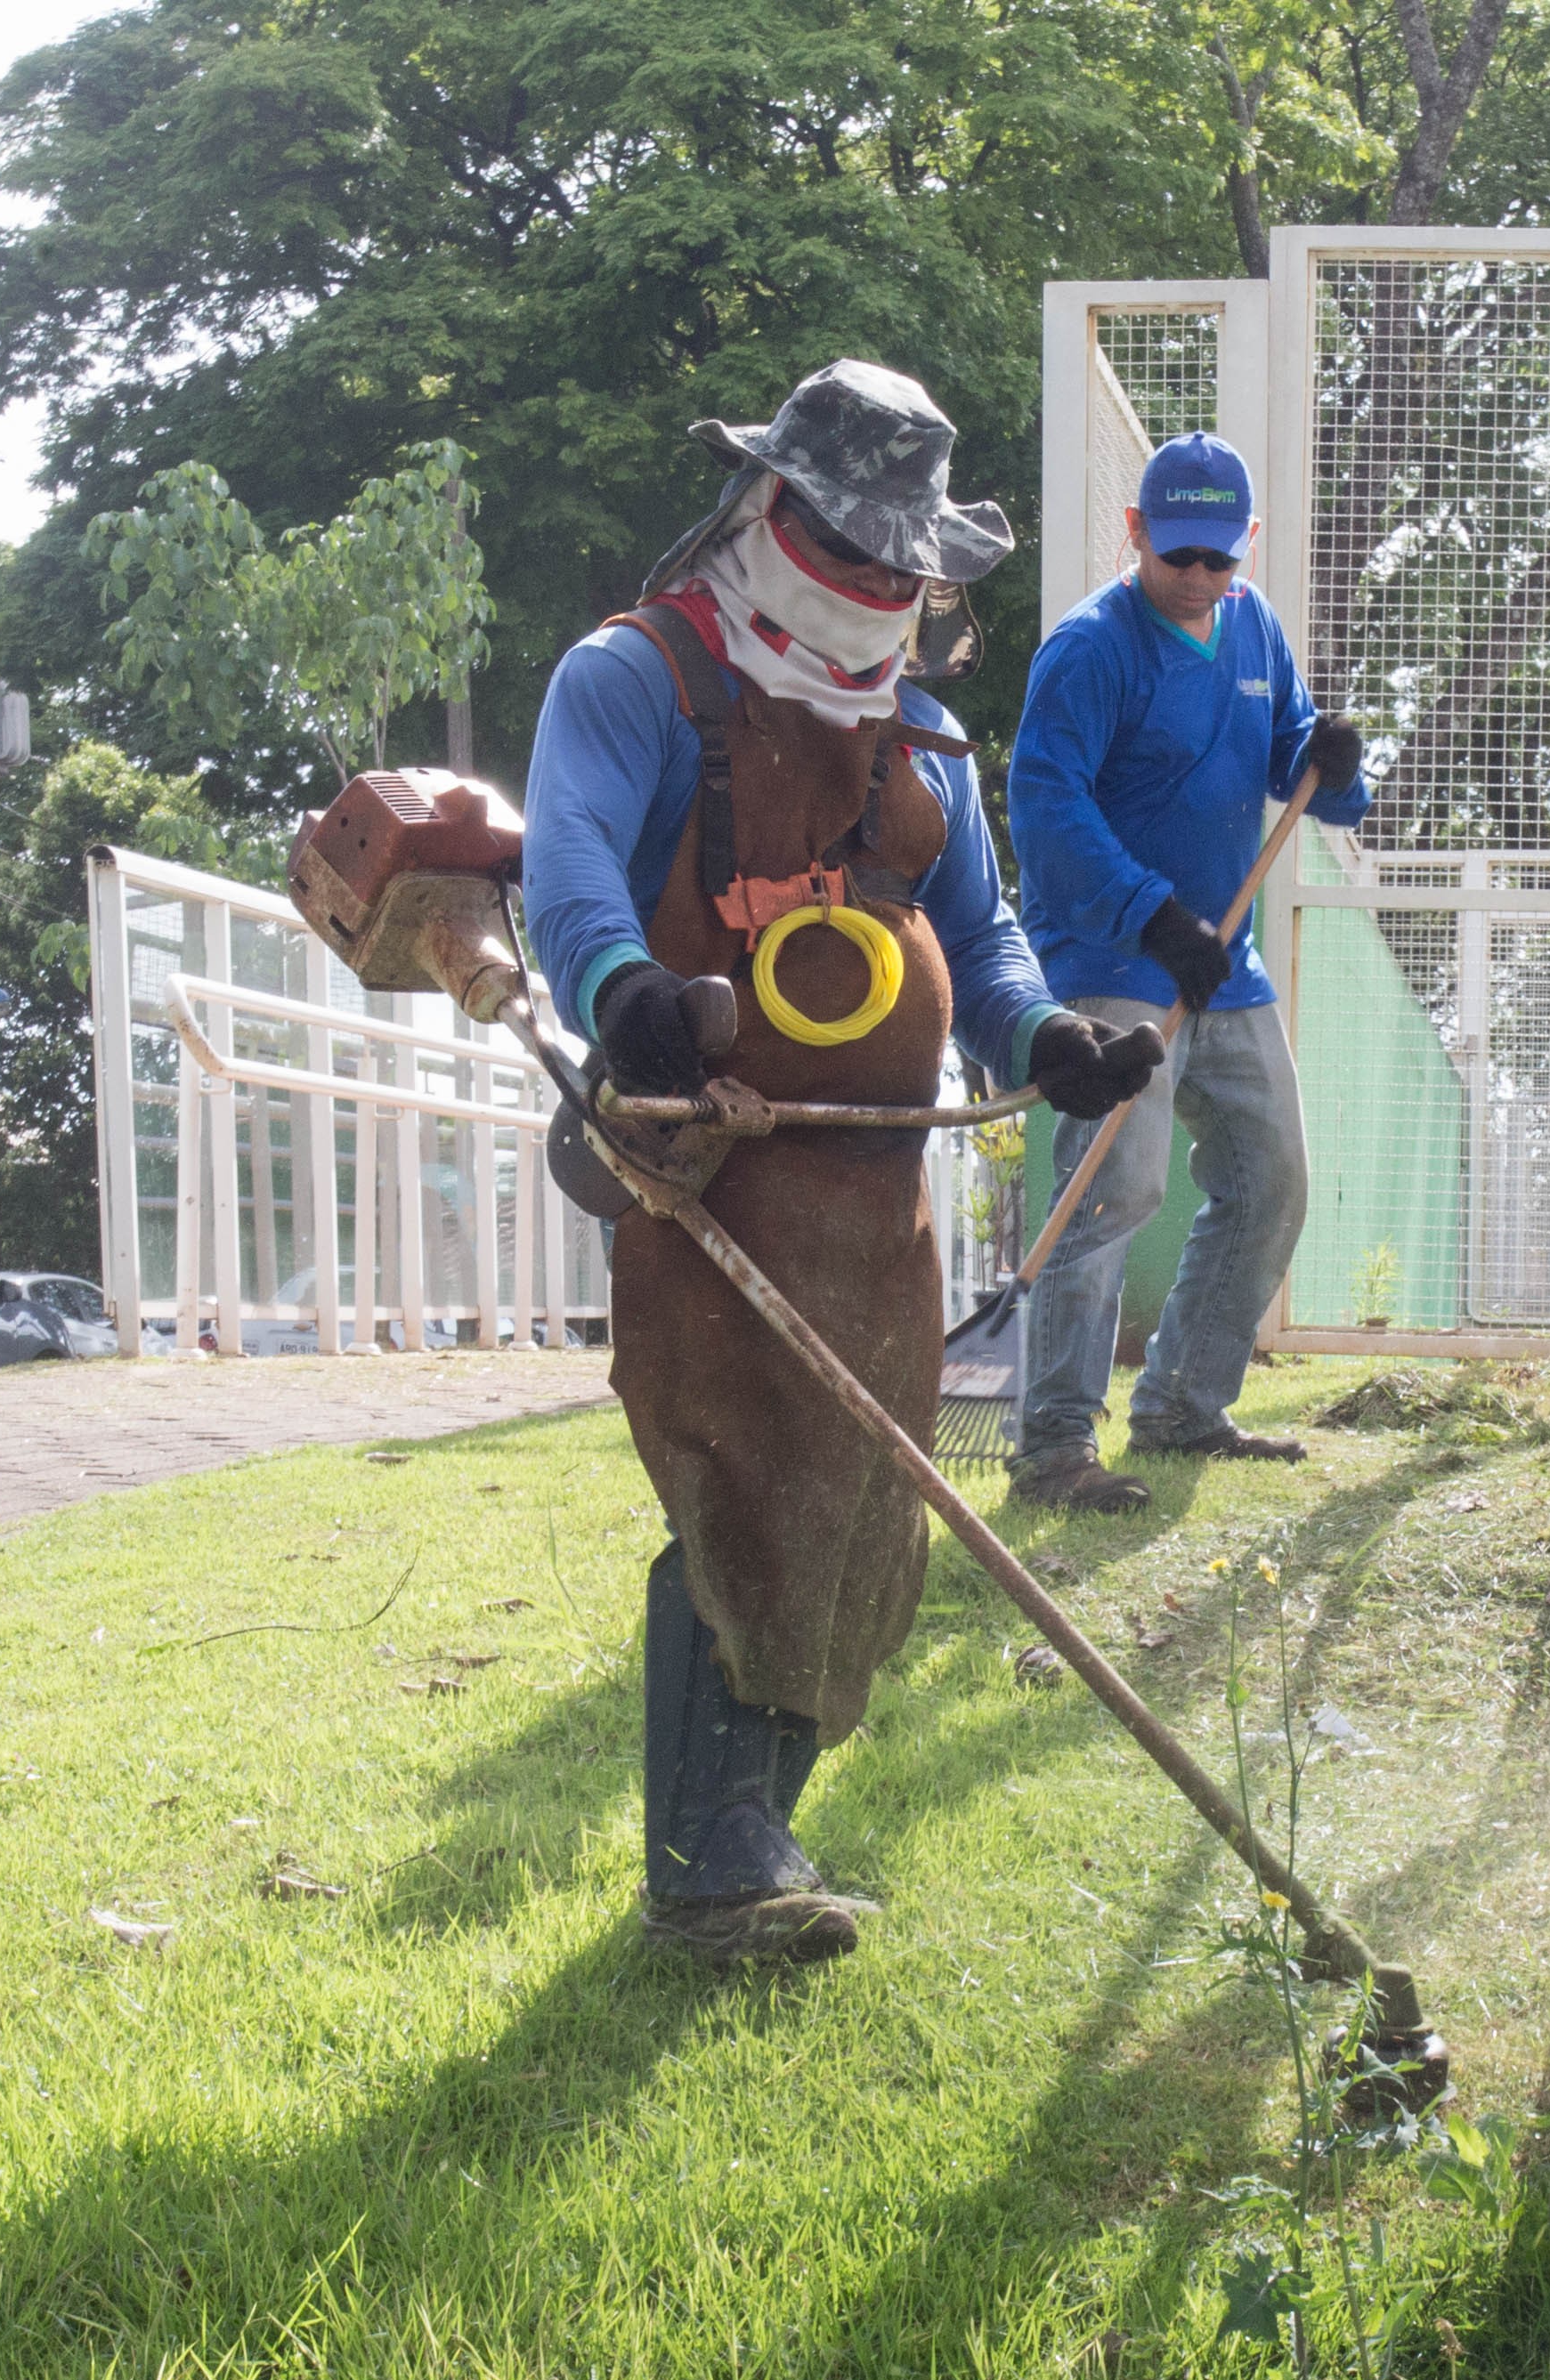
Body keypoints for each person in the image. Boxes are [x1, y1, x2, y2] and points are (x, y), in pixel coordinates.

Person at [522, 359, 1165, 1965]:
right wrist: (626, 996)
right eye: (854, 548)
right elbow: (570, 857)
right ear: (767, 508)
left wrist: (1042, 1043)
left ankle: (753, 1823)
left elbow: (984, 935)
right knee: (746, 1471)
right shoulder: (633, 682)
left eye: (905, 564)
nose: (881, 584)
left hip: (876, 1205)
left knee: (876, 1507)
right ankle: (711, 1865)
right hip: (701, 1162)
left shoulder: (925, 746)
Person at [1002, 432, 1372, 1513]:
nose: (1201, 578)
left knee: (1271, 1177)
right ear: (1135, 535)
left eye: (1220, 557)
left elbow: (1295, 759)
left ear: (1245, 544)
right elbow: (1047, 809)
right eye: (1179, 557)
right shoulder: (1086, 650)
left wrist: (1334, 761)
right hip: (1119, 957)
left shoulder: (1253, 627)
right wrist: (1152, 918)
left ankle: (1180, 1404)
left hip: (1226, 964)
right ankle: (1054, 1446)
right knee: (1115, 1187)